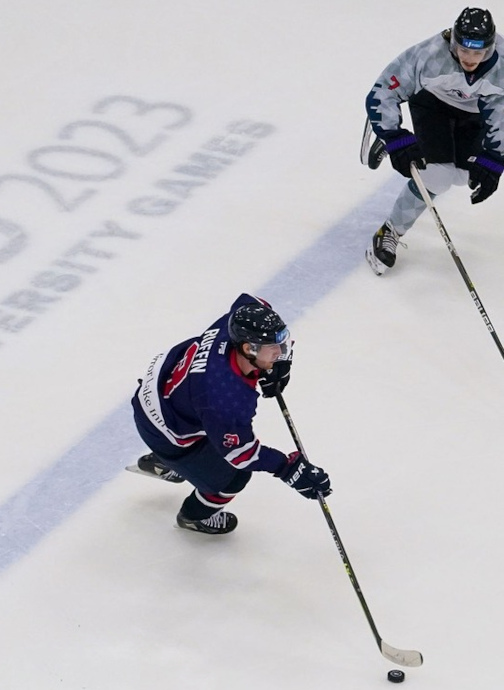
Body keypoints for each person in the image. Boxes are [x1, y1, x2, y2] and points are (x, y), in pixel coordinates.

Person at [129, 294, 331, 535]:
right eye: (274, 348)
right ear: (249, 348)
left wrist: (280, 363)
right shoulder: (225, 399)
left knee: (206, 427)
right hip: (163, 429)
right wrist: (287, 469)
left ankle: (170, 464)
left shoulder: (235, 324)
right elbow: (241, 455)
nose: (280, 351)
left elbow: (252, 300)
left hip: (171, 394)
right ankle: (194, 516)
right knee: (234, 478)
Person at [364, 7, 504, 275]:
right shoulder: (429, 56)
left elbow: (502, 113)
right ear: (453, 41)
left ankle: (396, 139)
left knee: (466, 176)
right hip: (433, 105)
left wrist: (496, 158)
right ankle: (390, 230)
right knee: (438, 176)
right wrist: (394, 136)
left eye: (478, 52)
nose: (470, 59)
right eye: (464, 50)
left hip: (475, 112)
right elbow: (382, 91)